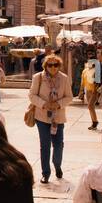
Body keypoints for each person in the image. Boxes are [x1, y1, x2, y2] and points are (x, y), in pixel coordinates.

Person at [29, 53, 70, 183]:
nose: (53, 67)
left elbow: (69, 97)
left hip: (58, 117)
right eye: (50, 65)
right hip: (42, 116)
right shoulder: (38, 78)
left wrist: (58, 104)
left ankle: (57, 164)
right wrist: (44, 104)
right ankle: (45, 173)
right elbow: (32, 95)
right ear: (45, 66)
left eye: (56, 65)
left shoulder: (64, 78)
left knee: (58, 144)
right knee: (45, 145)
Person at [81, 55, 101, 130]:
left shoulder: (97, 71)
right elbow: (83, 81)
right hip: (87, 90)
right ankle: (94, 122)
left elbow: (97, 82)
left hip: (94, 91)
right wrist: (81, 91)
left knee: (90, 106)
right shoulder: (85, 71)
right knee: (90, 107)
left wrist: (95, 91)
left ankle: (95, 122)